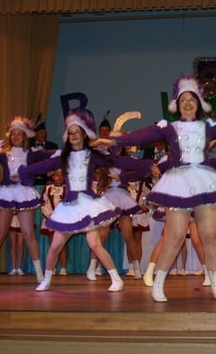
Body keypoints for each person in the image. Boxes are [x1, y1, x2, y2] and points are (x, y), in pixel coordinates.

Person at [112, 74, 216, 302]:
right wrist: (116, 141)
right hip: (179, 182)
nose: (187, 103)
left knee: (211, 235)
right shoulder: (169, 127)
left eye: (192, 100)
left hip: (204, 181)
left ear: (199, 104)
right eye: (183, 100)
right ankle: (158, 283)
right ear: (177, 104)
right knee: (175, 236)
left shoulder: (209, 127)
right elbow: (142, 135)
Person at [20, 110, 151, 292]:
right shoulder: (63, 157)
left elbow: (118, 161)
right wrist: (24, 172)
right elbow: (42, 166)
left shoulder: (93, 155)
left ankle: (116, 279)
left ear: (84, 134)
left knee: (95, 244)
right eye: (70, 133)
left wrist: (146, 164)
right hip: (69, 207)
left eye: (77, 132)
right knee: (55, 246)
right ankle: (46, 280)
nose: (74, 135)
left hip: (89, 204)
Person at [0, 117, 53, 284]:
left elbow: (50, 155)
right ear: (10, 136)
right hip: (7, 193)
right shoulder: (4, 153)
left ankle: (39, 273)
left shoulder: (31, 154)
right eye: (13, 134)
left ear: (24, 136)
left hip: (24, 193)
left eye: (19, 134)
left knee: (29, 234)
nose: (16, 136)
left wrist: (64, 152)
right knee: (0, 234)